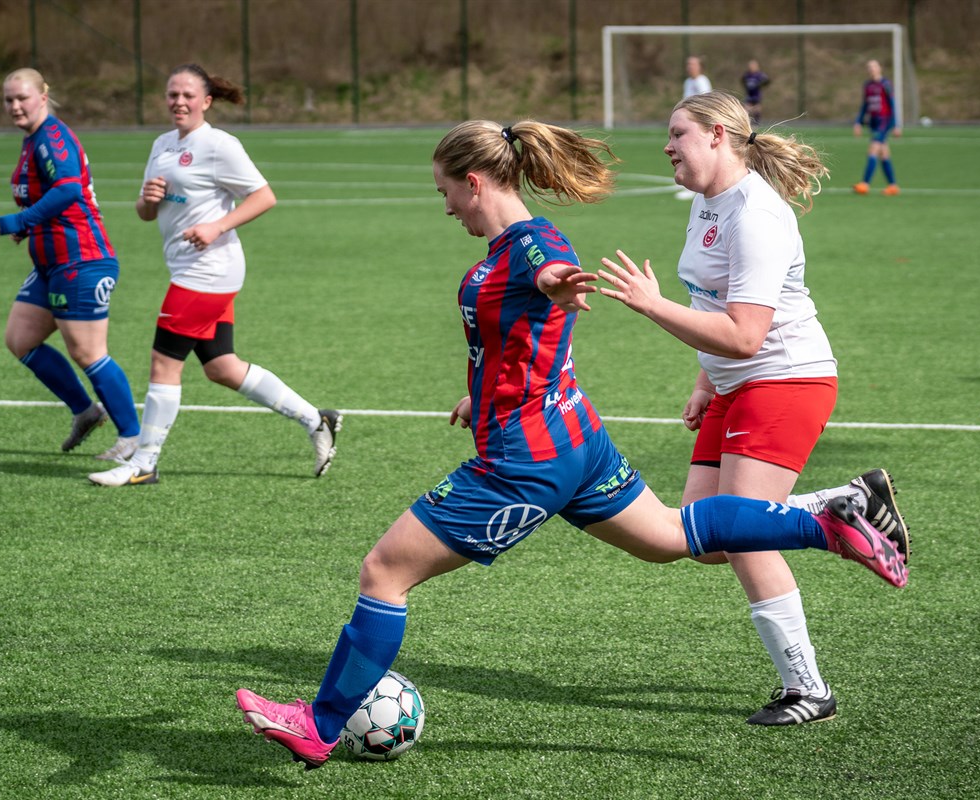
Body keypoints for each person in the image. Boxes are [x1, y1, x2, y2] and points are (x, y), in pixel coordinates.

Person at [233, 118, 909, 769]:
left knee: (384, 572)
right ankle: (828, 522)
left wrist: (558, 282)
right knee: (672, 537)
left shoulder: (532, 244)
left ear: (474, 182)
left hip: (526, 461)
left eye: (446, 192)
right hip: (574, 439)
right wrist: (484, 394)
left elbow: (551, 269)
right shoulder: (511, 246)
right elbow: (521, 336)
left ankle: (320, 726)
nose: (446, 208)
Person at [593, 91, 911, 726]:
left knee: (740, 532)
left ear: (717, 135)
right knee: (703, 537)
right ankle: (839, 505)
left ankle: (808, 689)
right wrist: (706, 382)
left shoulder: (757, 215)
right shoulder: (709, 202)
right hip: (735, 385)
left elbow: (745, 334)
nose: (666, 146)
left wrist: (653, 305)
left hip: (786, 380)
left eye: (677, 133)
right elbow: (717, 304)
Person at [88, 64, 340, 487]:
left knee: (164, 362)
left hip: (207, 271)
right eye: (172, 94)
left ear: (206, 101)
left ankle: (144, 463)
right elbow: (147, 213)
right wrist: (147, 199)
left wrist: (217, 226)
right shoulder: (162, 144)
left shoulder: (219, 145)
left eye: (188, 95)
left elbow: (264, 196)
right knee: (221, 367)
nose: (179, 102)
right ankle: (318, 420)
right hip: (188, 268)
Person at [0, 68, 141, 462]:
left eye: (22, 98)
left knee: (88, 352)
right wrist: (30, 228)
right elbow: (49, 197)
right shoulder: (33, 140)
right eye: (9, 99)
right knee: (20, 340)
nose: (15, 106)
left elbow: (69, 188)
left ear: (43, 96)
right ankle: (86, 411)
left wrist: (22, 220)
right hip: (50, 263)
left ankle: (133, 440)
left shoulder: (51, 137)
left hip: (81, 259)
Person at [852, 59, 901, 196]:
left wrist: (896, 125)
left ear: (880, 68)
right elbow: (865, 105)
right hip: (873, 121)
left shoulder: (885, 84)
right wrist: (858, 122)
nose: (871, 69)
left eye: (874, 66)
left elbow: (892, 104)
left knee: (873, 150)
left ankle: (864, 184)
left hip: (884, 121)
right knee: (884, 153)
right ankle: (893, 186)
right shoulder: (867, 86)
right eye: (869, 67)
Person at [676, 56, 713, 200]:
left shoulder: (702, 82)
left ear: (700, 67)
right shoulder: (688, 82)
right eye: (688, 64)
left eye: (693, 64)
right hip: (687, 124)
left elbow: (705, 103)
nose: (689, 67)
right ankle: (688, 180)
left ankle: (694, 186)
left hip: (697, 125)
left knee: (693, 154)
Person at [740, 59, 771, 124]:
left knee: (757, 109)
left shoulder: (759, 74)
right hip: (749, 94)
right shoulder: (747, 75)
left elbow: (767, 80)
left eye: (753, 66)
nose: (751, 67)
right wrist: (746, 86)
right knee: (746, 109)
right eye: (750, 66)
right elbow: (743, 80)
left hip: (756, 94)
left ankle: (757, 122)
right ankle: (745, 121)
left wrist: (761, 84)